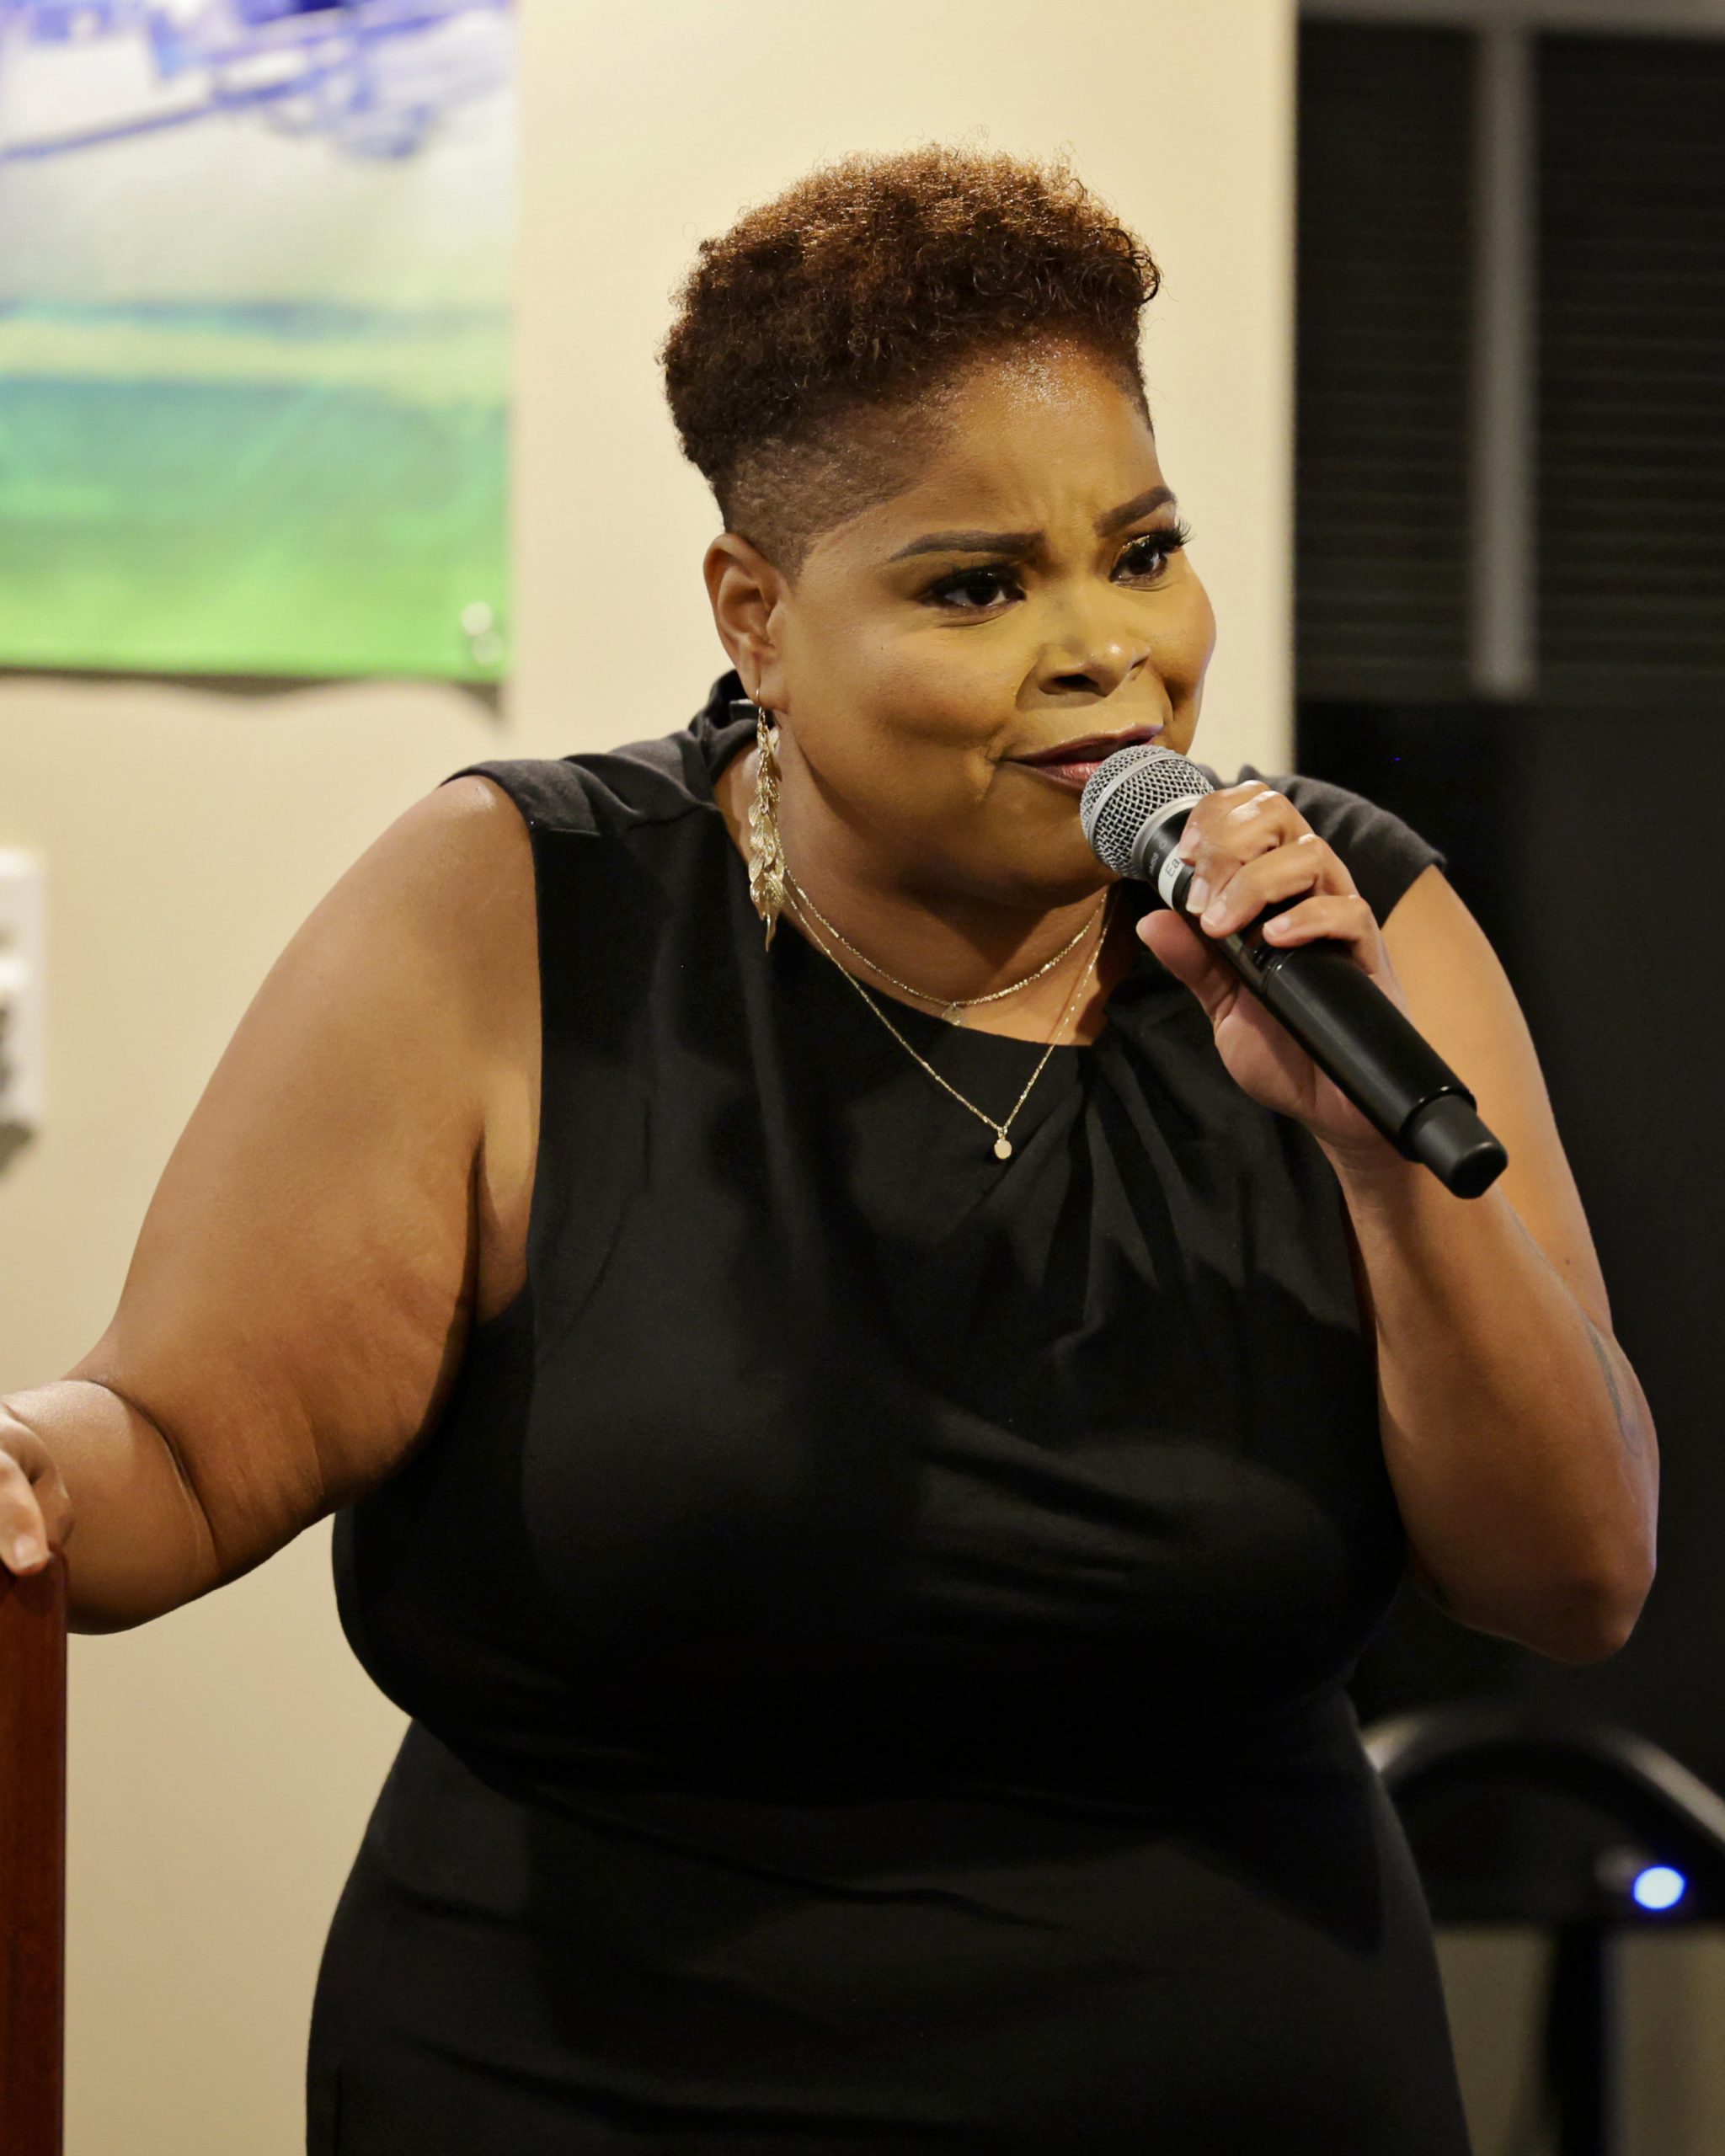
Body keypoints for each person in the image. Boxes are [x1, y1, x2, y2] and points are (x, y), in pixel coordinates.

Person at [0, 147, 1656, 2153]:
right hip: (583, 2089)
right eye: (978, 585)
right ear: (758, 617)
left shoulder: (1343, 926)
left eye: (1141, 552)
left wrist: (1378, 1167)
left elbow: (1571, 1573)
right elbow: (176, 1447)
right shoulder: (518, 910)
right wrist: (31, 1473)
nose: (1103, 647)